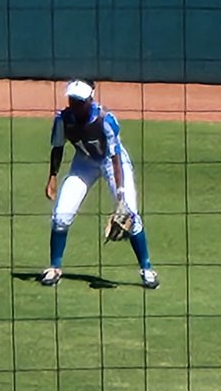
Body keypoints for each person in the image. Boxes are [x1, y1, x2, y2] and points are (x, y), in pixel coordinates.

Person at [41, 79, 159, 288]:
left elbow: (115, 157)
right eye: (72, 99)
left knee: (129, 213)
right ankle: (54, 267)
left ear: (89, 100)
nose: (74, 104)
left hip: (112, 163)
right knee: (61, 215)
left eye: (79, 101)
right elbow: (57, 147)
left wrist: (120, 194)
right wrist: (52, 177)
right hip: (83, 163)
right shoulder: (63, 119)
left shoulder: (105, 120)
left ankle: (147, 270)